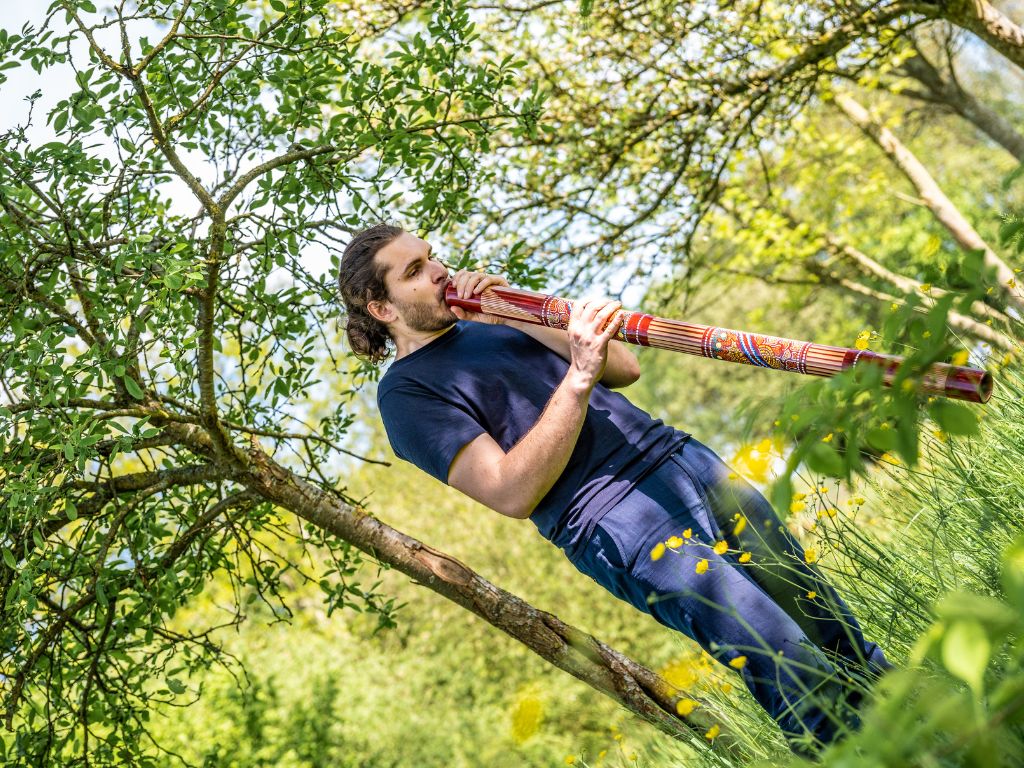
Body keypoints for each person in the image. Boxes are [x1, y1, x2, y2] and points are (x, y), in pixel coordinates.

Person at [336, 223, 890, 754]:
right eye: (414, 270)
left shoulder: (496, 319)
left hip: (682, 459)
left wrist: (518, 309)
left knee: (830, 626)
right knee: (786, 657)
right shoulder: (406, 397)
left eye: (431, 255)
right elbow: (509, 492)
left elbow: (622, 367)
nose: (438, 270)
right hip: (617, 520)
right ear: (381, 308)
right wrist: (575, 381)